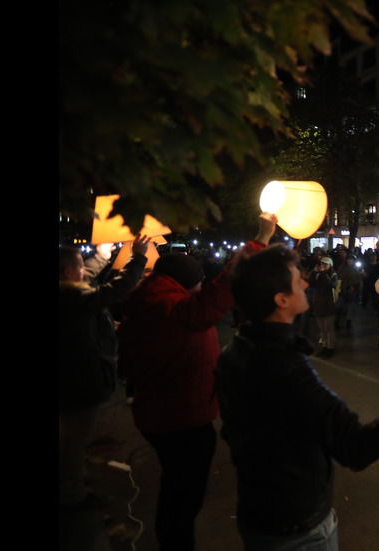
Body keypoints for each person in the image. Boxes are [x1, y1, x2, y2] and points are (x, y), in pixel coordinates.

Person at [215, 244, 379, 551]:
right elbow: (355, 447)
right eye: (298, 281)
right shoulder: (286, 367)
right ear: (280, 299)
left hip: (257, 511)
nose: (307, 283)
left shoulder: (235, 351)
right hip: (296, 528)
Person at [117, 213, 275, 551]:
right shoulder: (171, 308)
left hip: (163, 413)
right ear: (188, 283)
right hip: (179, 419)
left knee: (178, 490)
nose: (202, 289)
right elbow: (221, 293)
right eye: (200, 283)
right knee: (181, 498)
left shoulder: (149, 303)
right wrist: (259, 239)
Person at [59, 236, 149, 508]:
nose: (85, 270)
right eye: (80, 267)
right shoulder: (71, 299)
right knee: (72, 445)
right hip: (79, 383)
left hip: (74, 380)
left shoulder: (67, 295)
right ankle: (73, 500)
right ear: (67, 273)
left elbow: (86, 280)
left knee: (71, 442)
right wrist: (138, 257)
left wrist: (101, 255)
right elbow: (114, 289)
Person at [308, 256, 338, 359]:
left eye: (326, 264)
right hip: (318, 305)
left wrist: (323, 273)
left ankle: (330, 348)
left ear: (330, 265)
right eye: (322, 264)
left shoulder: (333, 274)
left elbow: (329, 286)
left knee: (329, 329)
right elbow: (310, 284)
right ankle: (324, 347)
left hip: (328, 305)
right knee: (322, 329)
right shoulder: (317, 274)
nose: (323, 266)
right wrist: (314, 272)